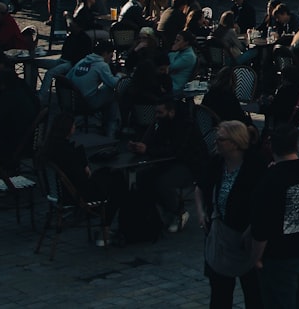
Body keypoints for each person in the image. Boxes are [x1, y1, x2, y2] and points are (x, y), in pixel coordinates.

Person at [194, 120, 265, 309]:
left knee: (254, 293)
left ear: (234, 143)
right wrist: (201, 213)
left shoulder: (256, 166)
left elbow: (266, 205)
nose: (216, 142)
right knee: (219, 293)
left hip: (245, 238)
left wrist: (252, 228)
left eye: (220, 139)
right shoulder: (216, 162)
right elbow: (200, 187)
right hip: (220, 235)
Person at [250, 126, 299, 307]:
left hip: (280, 254)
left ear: (271, 147)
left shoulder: (269, 180)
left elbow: (262, 227)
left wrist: (256, 257)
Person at [42, 112, 127, 246]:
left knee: (109, 175)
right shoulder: (69, 152)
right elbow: (83, 177)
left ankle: (106, 229)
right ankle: (105, 230)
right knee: (117, 182)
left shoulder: (48, 148)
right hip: (75, 194)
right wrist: (84, 164)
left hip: (59, 192)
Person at [130, 97, 208, 234]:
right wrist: (142, 145)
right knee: (142, 176)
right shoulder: (163, 122)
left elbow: (177, 150)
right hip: (170, 161)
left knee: (162, 182)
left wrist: (148, 150)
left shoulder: (185, 124)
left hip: (190, 164)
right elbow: (154, 141)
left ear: (171, 112)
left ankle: (178, 211)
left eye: (160, 113)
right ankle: (155, 214)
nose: (157, 116)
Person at [66, 39, 121, 136]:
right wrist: (119, 76)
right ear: (105, 53)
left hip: (72, 99)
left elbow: (67, 78)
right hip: (87, 102)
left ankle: (106, 123)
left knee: (106, 93)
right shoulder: (101, 65)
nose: (111, 59)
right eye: (110, 55)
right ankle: (111, 128)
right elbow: (113, 83)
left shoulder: (82, 61)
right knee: (111, 92)